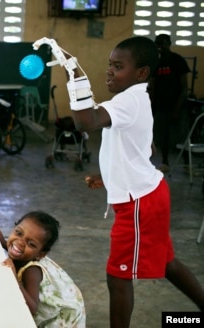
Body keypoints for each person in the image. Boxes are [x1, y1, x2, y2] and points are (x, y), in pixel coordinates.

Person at [58, 36, 204, 327]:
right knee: (165, 262)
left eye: (119, 66)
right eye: (110, 65)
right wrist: (111, 176)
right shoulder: (138, 99)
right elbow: (145, 149)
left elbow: (85, 122)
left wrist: (75, 80)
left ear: (141, 73)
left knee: (118, 275)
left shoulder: (127, 101)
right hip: (150, 193)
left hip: (140, 203)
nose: (110, 71)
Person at [0, 210, 86, 328]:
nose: (20, 242)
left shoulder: (31, 272)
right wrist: (2, 242)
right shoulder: (27, 254)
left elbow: (31, 309)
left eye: (31, 244)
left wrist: (14, 278)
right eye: (19, 233)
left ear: (40, 254)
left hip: (63, 318)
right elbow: (18, 251)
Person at [149, 34, 190, 173]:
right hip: (161, 107)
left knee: (181, 136)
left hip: (177, 106)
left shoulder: (178, 61)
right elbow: (152, 86)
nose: (160, 46)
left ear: (169, 44)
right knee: (162, 136)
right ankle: (165, 162)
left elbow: (184, 87)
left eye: (163, 43)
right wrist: (150, 106)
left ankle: (187, 165)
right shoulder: (156, 63)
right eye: (157, 44)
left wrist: (177, 109)